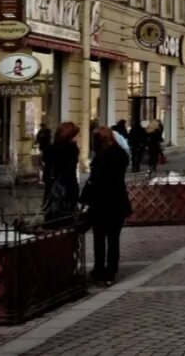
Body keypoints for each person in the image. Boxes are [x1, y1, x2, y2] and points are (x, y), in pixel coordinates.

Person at [81, 125, 132, 286]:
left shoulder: (102, 158)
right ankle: (110, 272)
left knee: (99, 239)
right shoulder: (121, 155)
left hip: (102, 203)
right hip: (117, 202)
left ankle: (100, 270)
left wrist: (85, 197)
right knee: (113, 239)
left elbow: (97, 181)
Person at [44, 122, 81, 223]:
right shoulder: (71, 151)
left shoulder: (51, 149)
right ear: (70, 136)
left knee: (52, 227)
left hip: (52, 195)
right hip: (66, 196)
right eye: (76, 136)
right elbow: (71, 176)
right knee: (66, 226)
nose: (78, 138)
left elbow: (45, 175)